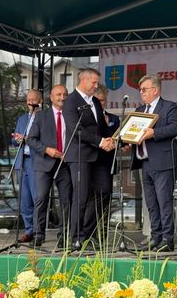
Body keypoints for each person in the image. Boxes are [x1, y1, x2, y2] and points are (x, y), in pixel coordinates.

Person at [63, 68, 114, 249]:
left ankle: (89, 233)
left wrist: (114, 139)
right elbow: (76, 130)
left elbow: (102, 129)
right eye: (93, 82)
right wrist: (100, 141)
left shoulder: (95, 102)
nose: (96, 86)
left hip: (98, 156)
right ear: (83, 80)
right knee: (81, 196)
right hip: (80, 156)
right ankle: (76, 238)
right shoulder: (70, 101)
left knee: (104, 191)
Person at [131, 75, 177, 252]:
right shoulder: (139, 110)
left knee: (164, 201)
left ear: (155, 90)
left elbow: (175, 128)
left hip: (163, 162)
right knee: (151, 203)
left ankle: (168, 239)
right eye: (140, 90)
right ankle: (155, 236)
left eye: (144, 89)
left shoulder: (169, 107)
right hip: (145, 162)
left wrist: (154, 132)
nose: (141, 92)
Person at [27, 85, 72, 248]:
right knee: (41, 199)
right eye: (59, 94)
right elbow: (31, 140)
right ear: (51, 98)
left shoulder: (71, 115)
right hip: (44, 163)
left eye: (65, 94)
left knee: (66, 200)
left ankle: (63, 236)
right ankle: (38, 235)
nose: (62, 97)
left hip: (65, 164)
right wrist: (47, 150)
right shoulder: (41, 116)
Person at [82, 84, 120, 242]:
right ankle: (86, 234)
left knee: (104, 197)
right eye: (97, 100)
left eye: (103, 101)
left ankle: (101, 236)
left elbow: (117, 139)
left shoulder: (113, 119)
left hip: (106, 163)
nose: (100, 103)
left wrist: (119, 143)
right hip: (88, 162)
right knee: (88, 199)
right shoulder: (85, 116)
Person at [11, 89, 42, 243]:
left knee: (37, 197)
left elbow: (45, 140)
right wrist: (17, 139)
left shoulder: (44, 118)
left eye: (33, 99)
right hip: (22, 160)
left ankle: (38, 231)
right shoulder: (22, 119)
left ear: (40, 102)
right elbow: (13, 141)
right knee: (24, 199)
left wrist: (27, 138)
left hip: (36, 161)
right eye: (28, 99)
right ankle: (29, 230)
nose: (30, 102)